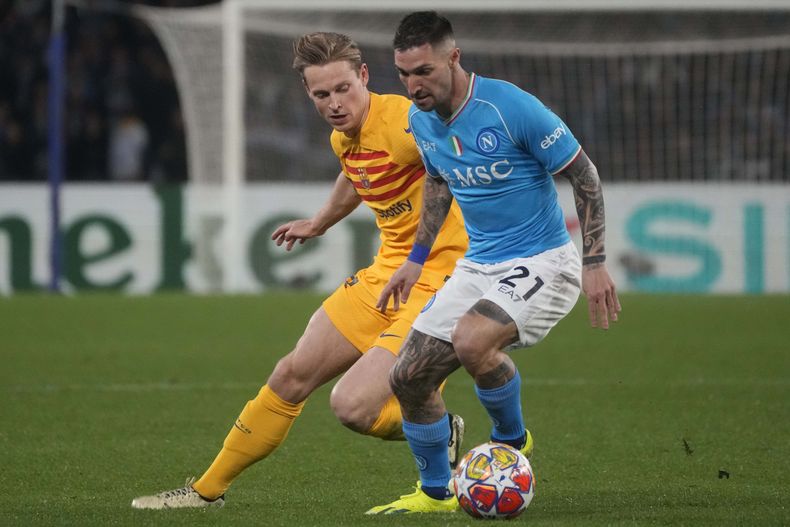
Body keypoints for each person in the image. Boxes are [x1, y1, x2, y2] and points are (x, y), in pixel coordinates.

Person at [131, 31, 469, 510]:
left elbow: (455, 165)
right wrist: (319, 222)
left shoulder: (406, 122)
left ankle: (436, 428)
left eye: (343, 89)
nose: (334, 103)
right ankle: (205, 492)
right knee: (290, 375)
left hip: (442, 277)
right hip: (387, 273)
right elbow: (355, 176)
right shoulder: (343, 136)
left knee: (353, 407)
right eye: (321, 95)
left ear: (364, 77)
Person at [365, 11, 621, 514]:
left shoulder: (510, 108)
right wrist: (416, 258)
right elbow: (439, 180)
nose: (413, 86)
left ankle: (511, 439)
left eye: (424, 71)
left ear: (454, 58)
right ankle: (436, 493)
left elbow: (585, 176)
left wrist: (594, 262)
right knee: (407, 377)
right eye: (404, 74)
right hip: (478, 264)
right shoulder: (420, 120)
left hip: (545, 260)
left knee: (471, 339)